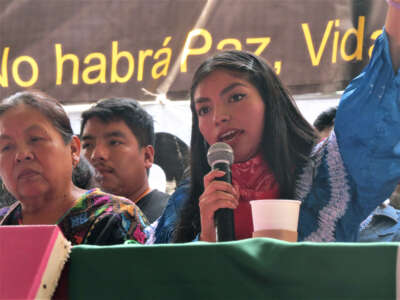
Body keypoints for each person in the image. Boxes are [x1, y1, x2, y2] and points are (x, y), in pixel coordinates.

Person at [170, 2, 400, 243]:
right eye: (204, 109)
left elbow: (381, 93)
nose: (219, 117)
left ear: (271, 104)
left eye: (236, 97)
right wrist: (207, 233)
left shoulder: (328, 174)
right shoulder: (189, 200)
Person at [0, 91, 148, 245]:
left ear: (73, 150)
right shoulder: (3, 222)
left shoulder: (116, 218)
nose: (22, 155)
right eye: (6, 147)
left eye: (35, 139)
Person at [80, 97, 169, 222]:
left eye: (114, 142)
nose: (96, 155)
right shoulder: (79, 222)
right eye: (88, 145)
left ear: (147, 156)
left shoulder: (170, 219)